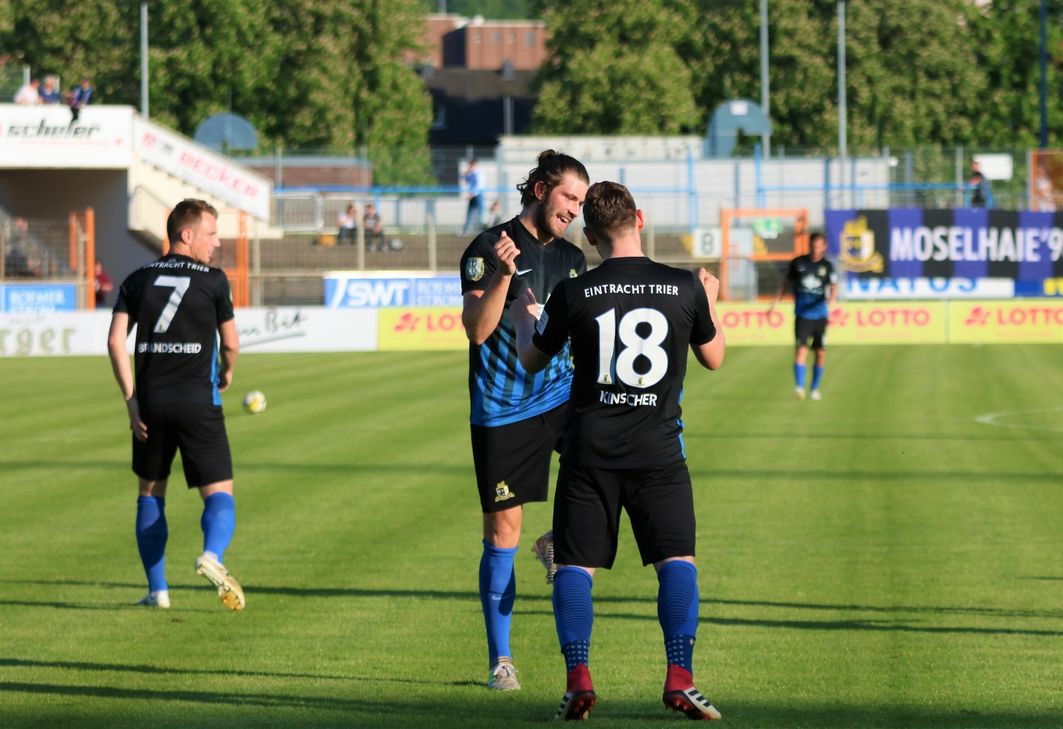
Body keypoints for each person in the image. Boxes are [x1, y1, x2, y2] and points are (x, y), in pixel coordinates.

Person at [511, 181, 726, 721]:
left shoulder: (575, 292)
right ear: (640, 218)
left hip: (589, 455)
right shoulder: (684, 286)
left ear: (589, 236)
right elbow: (714, 357)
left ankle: (578, 679)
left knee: (574, 568)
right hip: (660, 455)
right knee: (676, 562)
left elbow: (532, 360)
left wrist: (522, 318)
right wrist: (711, 303)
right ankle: (680, 678)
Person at [459, 149, 590, 691]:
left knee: (609, 469)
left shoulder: (575, 258)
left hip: (561, 397)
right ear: (540, 190)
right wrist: (504, 278)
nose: (575, 210)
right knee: (502, 532)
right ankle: (502, 661)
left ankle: (559, 538)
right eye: (568, 198)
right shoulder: (488, 247)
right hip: (503, 409)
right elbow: (476, 330)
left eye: (581, 202)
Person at [106, 199, 245, 612]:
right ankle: (212, 555)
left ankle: (158, 592)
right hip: (199, 401)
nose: (217, 242)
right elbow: (231, 343)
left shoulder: (137, 279)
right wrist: (227, 371)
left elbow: (115, 341)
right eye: (211, 234)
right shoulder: (214, 281)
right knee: (219, 492)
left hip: (151, 405)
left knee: (150, 494)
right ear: (186, 234)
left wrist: (131, 400)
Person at [768, 232, 837, 401]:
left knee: (820, 353)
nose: (816, 249)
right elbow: (785, 283)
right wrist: (775, 304)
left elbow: (833, 286)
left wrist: (832, 301)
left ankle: (814, 388)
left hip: (820, 315)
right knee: (801, 349)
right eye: (814, 246)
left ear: (824, 247)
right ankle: (799, 387)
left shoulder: (827, 265)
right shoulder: (798, 263)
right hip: (803, 315)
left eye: (819, 246)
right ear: (810, 245)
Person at [461, 158, 485, 235]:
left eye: (470, 165)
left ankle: (480, 231)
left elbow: (479, 186)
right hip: (472, 195)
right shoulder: (471, 174)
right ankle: (465, 232)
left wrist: (472, 194)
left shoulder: (479, 173)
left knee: (479, 214)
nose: (469, 167)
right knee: (469, 213)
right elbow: (466, 181)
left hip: (478, 195)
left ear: (474, 165)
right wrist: (465, 174)